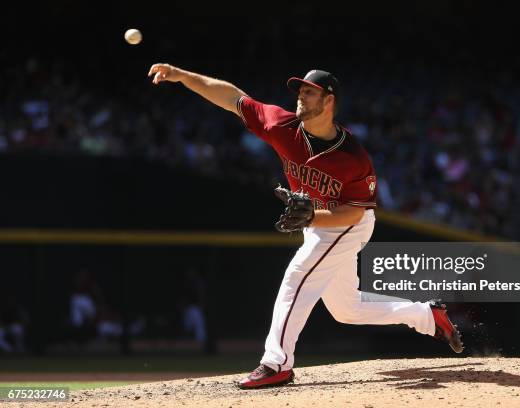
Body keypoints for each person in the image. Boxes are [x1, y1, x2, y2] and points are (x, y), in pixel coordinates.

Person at [147, 64, 464, 389]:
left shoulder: (354, 157)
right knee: (347, 309)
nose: (301, 96)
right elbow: (232, 98)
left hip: (348, 224)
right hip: (319, 223)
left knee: (297, 276)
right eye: (300, 91)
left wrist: (312, 216)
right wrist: (182, 76)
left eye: (309, 92)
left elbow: (352, 214)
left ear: (329, 102)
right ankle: (426, 315)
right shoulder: (281, 126)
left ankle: (277, 363)